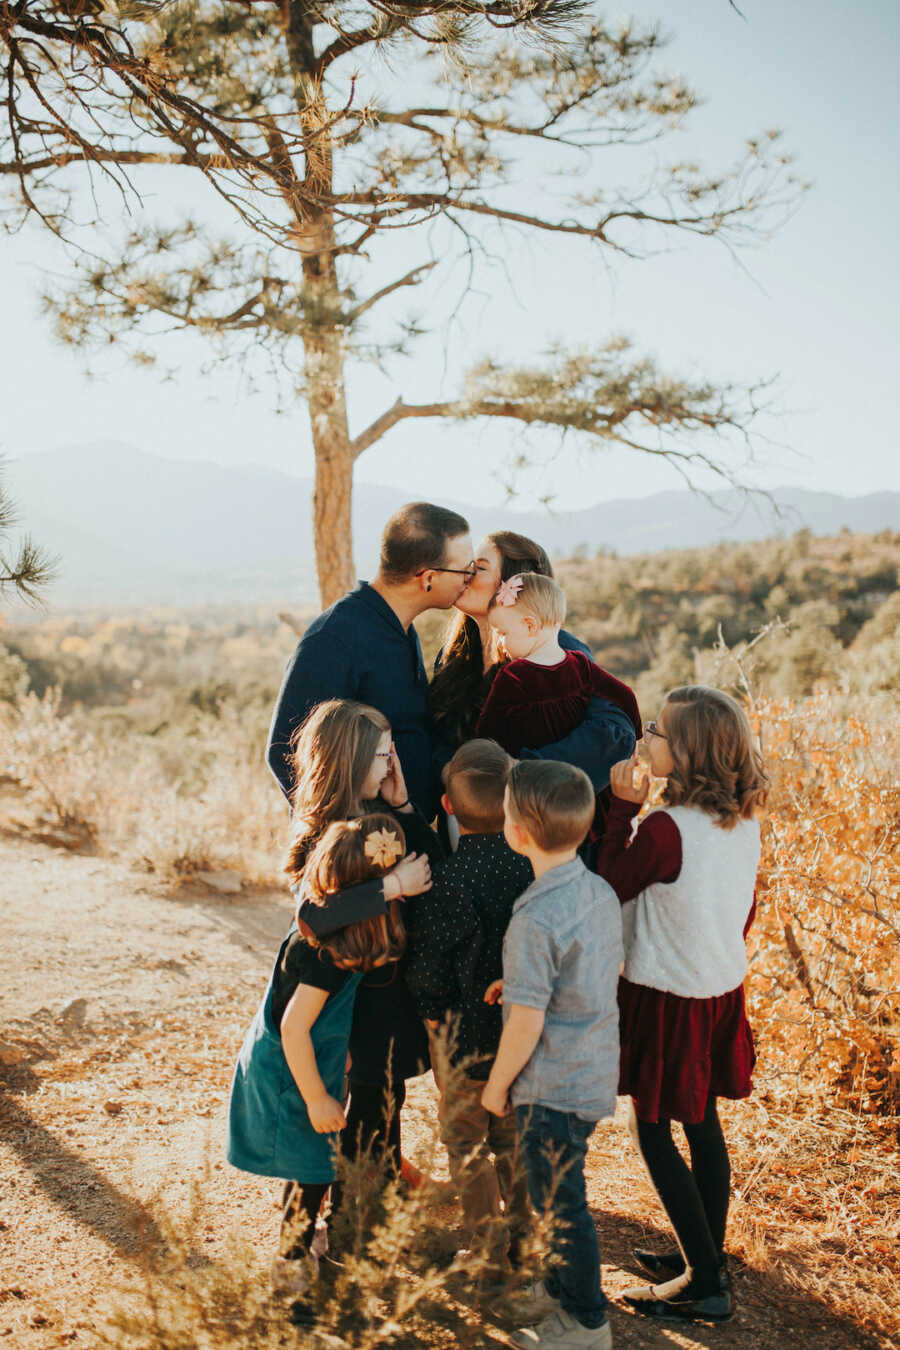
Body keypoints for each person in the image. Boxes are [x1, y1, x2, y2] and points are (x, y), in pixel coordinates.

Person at [595, 685, 767, 1325]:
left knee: (653, 1128)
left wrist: (619, 809)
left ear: (687, 753)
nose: (645, 738)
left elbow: (610, 883)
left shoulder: (666, 828)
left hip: (667, 993)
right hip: (718, 985)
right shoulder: (742, 819)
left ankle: (705, 1282)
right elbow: (744, 908)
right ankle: (705, 1255)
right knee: (702, 1122)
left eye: (656, 732)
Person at [226, 814, 409, 1322]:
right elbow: (294, 1028)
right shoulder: (327, 954)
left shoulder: (331, 925)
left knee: (311, 1169)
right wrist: (316, 1097)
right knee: (311, 1169)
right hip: (292, 1072)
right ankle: (290, 1280)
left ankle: (300, 1250)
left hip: (312, 1061)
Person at [482, 761, 623, 1350]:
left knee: (561, 1206)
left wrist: (495, 1088)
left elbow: (527, 1024)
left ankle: (587, 1322)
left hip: (552, 1087)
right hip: (591, 1068)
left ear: (517, 834)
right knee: (553, 1196)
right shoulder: (596, 889)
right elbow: (588, 970)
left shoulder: (533, 917)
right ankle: (559, 1291)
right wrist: (516, 985)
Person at [284, 699, 444, 1183]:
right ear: (352, 760)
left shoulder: (380, 809)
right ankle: (346, 1209)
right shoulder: (323, 830)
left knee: (387, 1095)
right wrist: (390, 887)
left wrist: (403, 806)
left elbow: (435, 869)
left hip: (391, 987)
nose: (391, 763)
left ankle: (386, 1181)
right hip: (352, 997)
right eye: (381, 755)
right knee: (365, 1100)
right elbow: (313, 914)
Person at [404, 739, 534, 1277]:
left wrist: (434, 1020)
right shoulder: (535, 870)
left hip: (464, 1039)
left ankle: (487, 1251)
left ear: (449, 807)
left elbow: (429, 968)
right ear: (513, 804)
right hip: (525, 1033)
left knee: (466, 1140)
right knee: (513, 1136)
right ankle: (526, 1238)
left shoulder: (447, 884)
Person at [267, 502, 474, 819]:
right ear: (428, 577)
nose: (469, 578)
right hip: (365, 854)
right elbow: (285, 751)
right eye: (465, 569)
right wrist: (357, 840)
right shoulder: (335, 640)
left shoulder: (400, 628)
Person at [428, 529, 639, 803]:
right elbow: (438, 734)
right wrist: (449, 770)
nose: (465, 575)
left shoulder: (560, 652)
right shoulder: (453, 655)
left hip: (539, 820)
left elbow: (613, 733)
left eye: (479, 568)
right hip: (467, 824)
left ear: (514, 585)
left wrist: (519, 772)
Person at [477, 573, 638, 760]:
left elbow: (486, 732)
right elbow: (624, 694)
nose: (499, 643)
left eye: (503, 633)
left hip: (526, 775)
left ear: (530, 626)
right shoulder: (581, 664)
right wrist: (635, 735)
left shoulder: (514, 676)